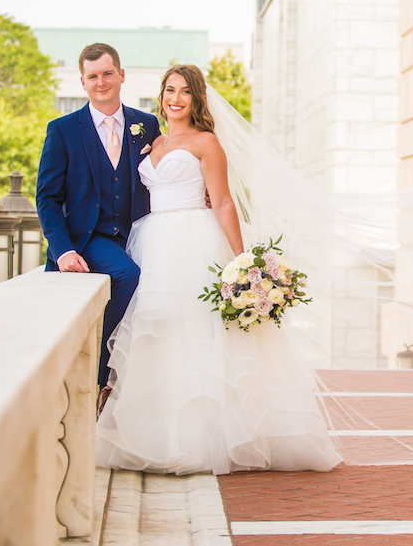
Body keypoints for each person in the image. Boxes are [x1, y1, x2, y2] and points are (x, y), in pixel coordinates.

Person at [95, 65, 342, 474]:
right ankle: (160, 436)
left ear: (196, 99)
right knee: (161, 337)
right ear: (161, 96)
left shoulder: (207, 142)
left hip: (194, 238)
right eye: (169, 90)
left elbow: (223, 201)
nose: (175, 98)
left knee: (199, 334)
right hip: (153, 244)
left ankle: (204, 438)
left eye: (185, 92)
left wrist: (241, 260)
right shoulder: (152, 141)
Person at [36, 43, 161, 413]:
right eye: (93, 76)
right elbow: (46, 198)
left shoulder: (146, 124)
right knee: (127, 275)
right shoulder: (62, 130)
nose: (101, 82)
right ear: (82, 82)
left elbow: (162, 173)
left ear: (122, 75)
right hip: (87, 238)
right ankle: (98, 374)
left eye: (108, 73)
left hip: (139, 230)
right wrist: (63, 250)